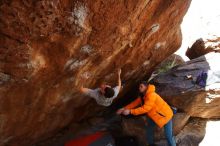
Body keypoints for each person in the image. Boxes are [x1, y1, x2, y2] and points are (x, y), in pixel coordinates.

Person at [117, 81, 176, 146]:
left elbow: (146, 109)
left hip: (165, 115)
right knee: (149, 130)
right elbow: (134, 103)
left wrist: (130, 111)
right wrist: (124, 108)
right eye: (139, 86)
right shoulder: (143, 96)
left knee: (168, 135)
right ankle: (151, 144)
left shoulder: (151, 95)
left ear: (146, 87)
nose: (139, 88)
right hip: (154, 116)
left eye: (141, 86)